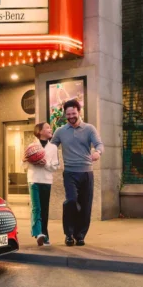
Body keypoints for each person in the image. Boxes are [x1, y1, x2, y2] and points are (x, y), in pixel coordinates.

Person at [50, 99, 103, 246]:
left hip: (87, 173)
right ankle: (69, 234)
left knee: (85, 206)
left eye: (73, 113)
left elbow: (99, 144)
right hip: (70, 173)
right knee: (71, 201)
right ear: (65, 114)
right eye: (68, 114)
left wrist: (97, 152)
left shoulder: (89, 129)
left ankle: (80, 235)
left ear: (79, 112)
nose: (71, 116)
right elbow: (51, 147)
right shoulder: (60, 131)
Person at [24, 122, 60, 246]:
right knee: (36, 208)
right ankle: (38, 233)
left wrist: (45, 164)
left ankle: (45, 235)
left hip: (46, 181)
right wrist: (26, 160)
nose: (50, 129)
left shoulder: (53, 148)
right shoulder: (31, 147)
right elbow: (23, 165)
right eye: (47, 127)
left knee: (44, 209)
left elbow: (55, 166)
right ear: (40, 131)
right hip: (33, 180)